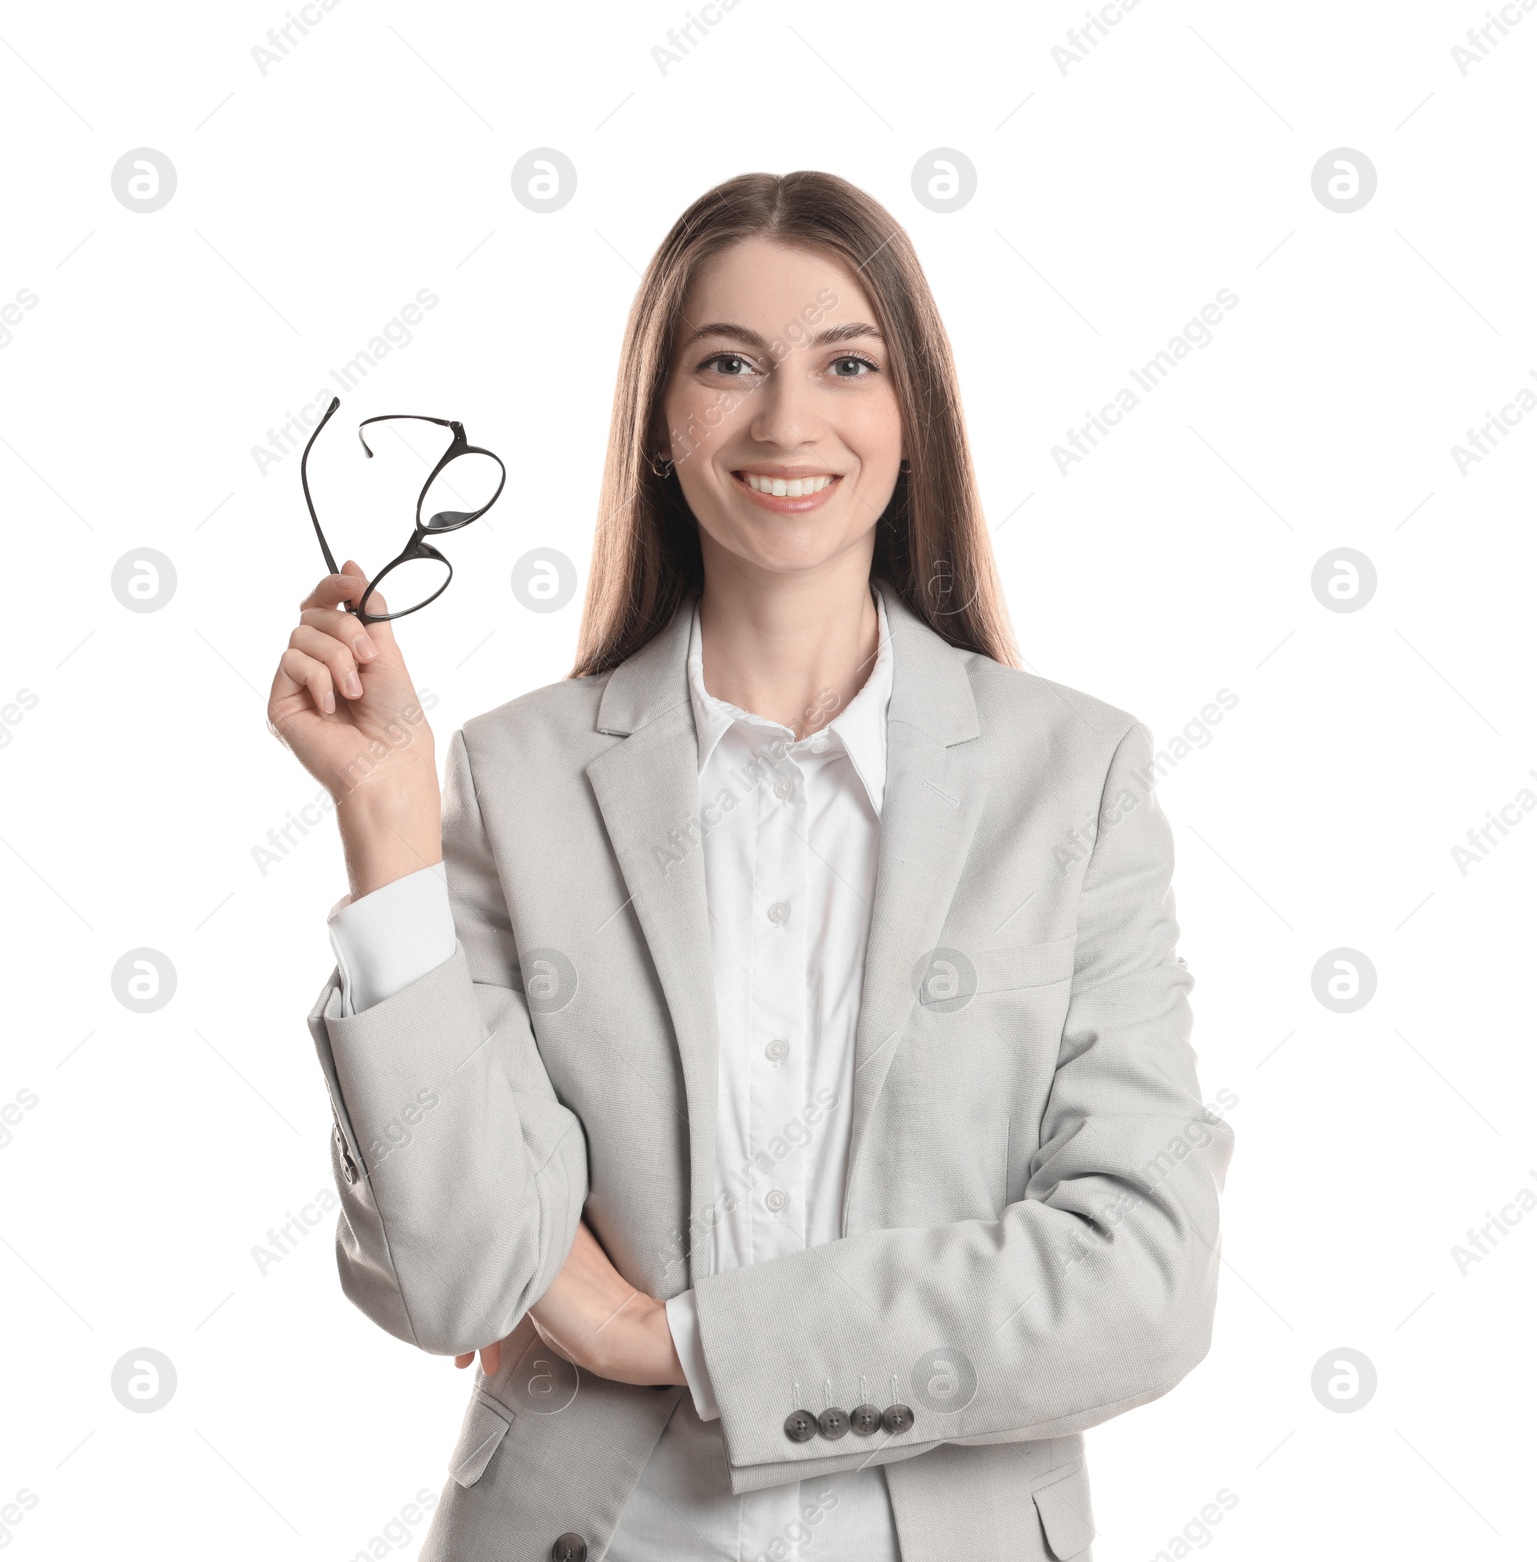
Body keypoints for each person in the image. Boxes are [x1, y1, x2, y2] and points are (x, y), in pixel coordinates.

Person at [267, 169, 1233, 1562]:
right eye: (729, 363)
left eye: (848, 363)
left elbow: (1143, 1279)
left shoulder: (1072, 778)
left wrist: (671, 1338)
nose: (789, 420)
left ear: (914, 417)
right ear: (661, 423)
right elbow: (452, 1277)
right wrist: (387, 835)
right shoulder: (511, 778)